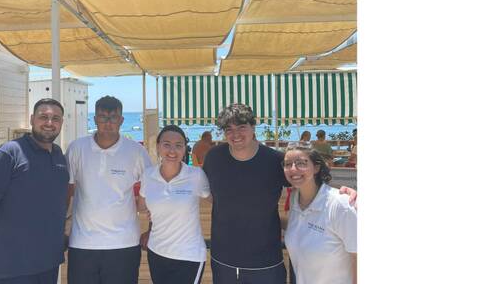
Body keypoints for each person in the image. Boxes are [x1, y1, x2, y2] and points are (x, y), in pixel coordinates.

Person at [203, 103, 357, 284]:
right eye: (229, 129)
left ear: (253, 127)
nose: (235, 134)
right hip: (223, 260)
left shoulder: (275, 160)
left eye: (242, 127)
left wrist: (342, 191)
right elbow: (205, 189)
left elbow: (308, 180)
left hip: (266, 261)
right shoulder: (214, 158)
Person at [0, 98, 69, 283]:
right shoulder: (9, 154)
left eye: (55, 118)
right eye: (43, 117)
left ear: (61, 122)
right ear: (31, 119)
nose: (49, 123)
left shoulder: (59, 155)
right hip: (13, 267)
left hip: (49, 263)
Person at [66, 96, 153, 284]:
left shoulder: (136, 151)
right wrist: (60, 229)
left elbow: (154, 192)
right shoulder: (76, 148)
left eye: (113, 117)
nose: (108, 123)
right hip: (82, 243)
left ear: (121, 120)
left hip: (125, 243)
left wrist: (152, 229)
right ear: (95, 119)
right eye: (102, 117)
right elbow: (67, 192)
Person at [137, 125, 209, 284]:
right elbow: (142, 206)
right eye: (166, 144)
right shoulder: (148, 175)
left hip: (189, 256)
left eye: (178, 145)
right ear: (158, 147)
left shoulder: (196, 176)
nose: (172, 150)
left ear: (185, 149)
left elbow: (215, 199)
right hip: (157, 252)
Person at [282, 143, 357, 284]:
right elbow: (302, 227)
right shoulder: (294, 200)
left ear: (316, 167)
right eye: (287, 164)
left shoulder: (341, 205)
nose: (293, 169)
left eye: (301, 163)